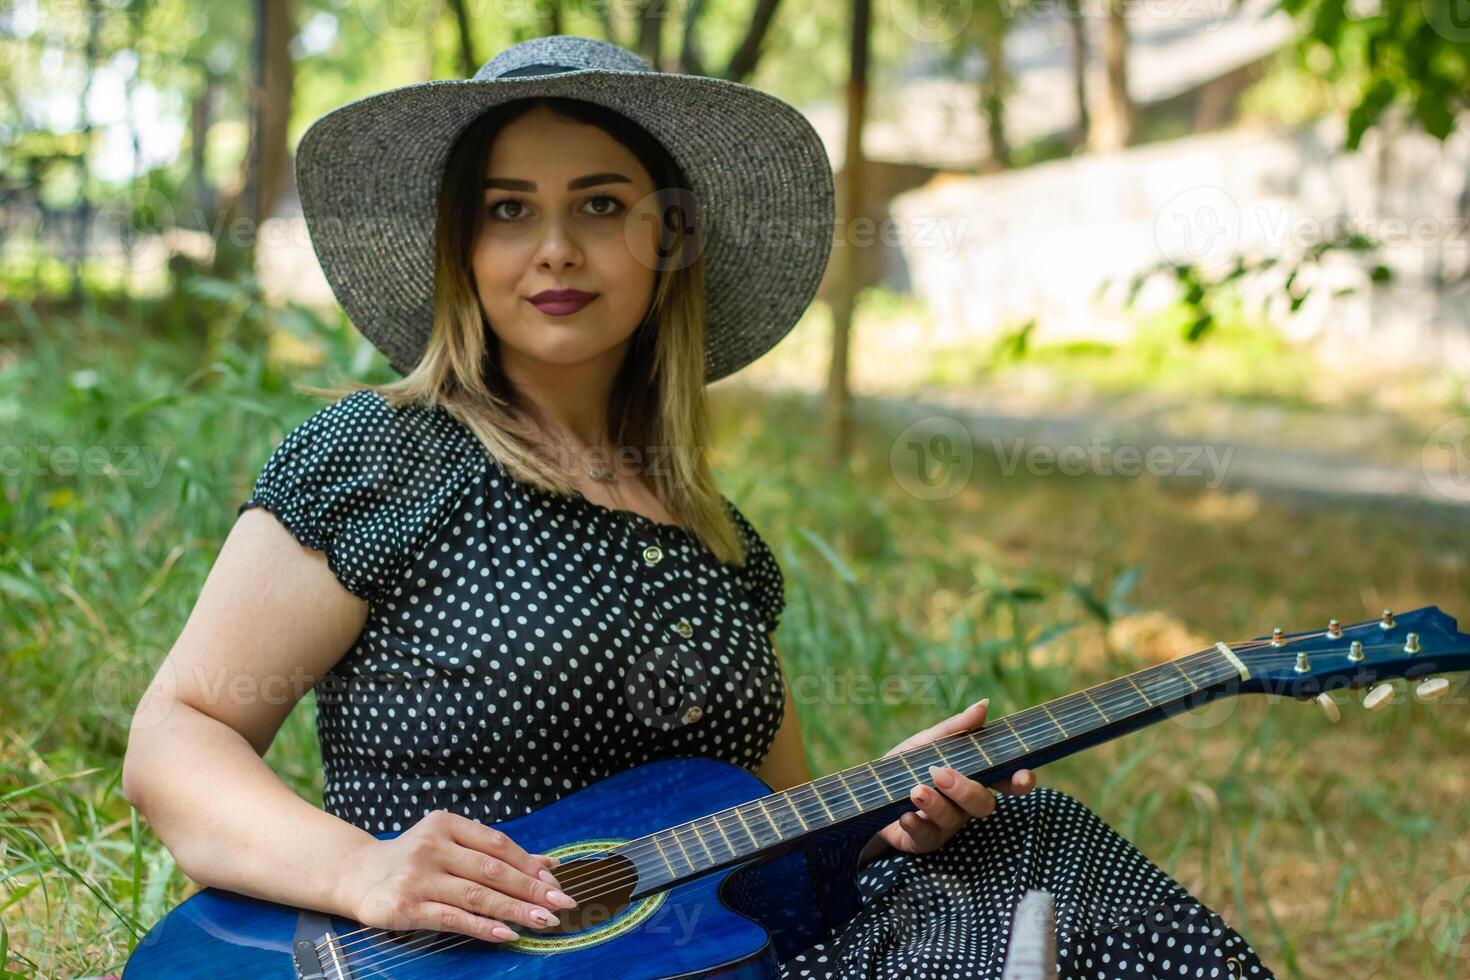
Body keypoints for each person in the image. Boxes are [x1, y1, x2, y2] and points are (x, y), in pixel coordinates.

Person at [121, 35, 1275, 979]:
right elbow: (178, 737)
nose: (556, 248)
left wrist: (886, 810)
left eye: (602, 203)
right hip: (426, 961)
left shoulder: (716, 541)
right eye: (510, 209)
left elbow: (775, 842)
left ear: (667, 237)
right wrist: (360, 871)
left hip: (708, 963)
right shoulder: (382, 456)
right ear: (461, 245)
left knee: (1033, 839)